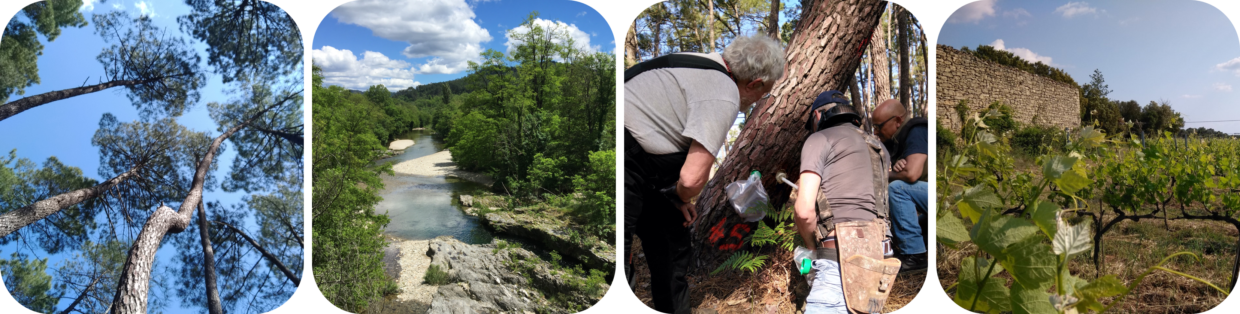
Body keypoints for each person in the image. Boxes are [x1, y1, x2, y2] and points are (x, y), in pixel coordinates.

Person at [620, 34, 784, 314]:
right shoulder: (724, 92)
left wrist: (676, 198)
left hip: (646, 170)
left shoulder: (702, 63)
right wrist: (681, 193)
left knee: (671, 239)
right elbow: (692, 179)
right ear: (754, 83)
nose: (758, 100)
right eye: (763, 93)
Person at [794, 91, 891, 314]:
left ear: (817, 117)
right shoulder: (879, 147)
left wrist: (811, 248)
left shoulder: (818, 139)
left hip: (839, 258)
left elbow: (803, 211)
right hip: (881, 258)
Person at [872, 99, 930, 273]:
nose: (875, 131)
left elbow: (911, 174)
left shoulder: (917, 131)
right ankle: (918, 244)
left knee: (896, 188)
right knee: (907, 228)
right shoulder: (898, 139)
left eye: (878, 126)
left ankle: (916, 256)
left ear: (897, 121)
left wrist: (882, 175)